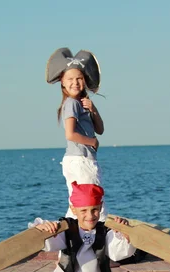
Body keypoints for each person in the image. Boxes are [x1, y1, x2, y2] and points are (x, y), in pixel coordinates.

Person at [46, 48, 108, 221]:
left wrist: (93, 109)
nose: (75, 82)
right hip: (81, 159)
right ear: (62, 82)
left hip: (78, 159)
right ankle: (100, 238)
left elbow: (100, 128)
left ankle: (69, 237)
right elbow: (70, 134)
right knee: (94, 200)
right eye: (70, 79)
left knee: (79, 202)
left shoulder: (80, 104)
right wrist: (91, 142)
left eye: (79, 78)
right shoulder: (72, 104)